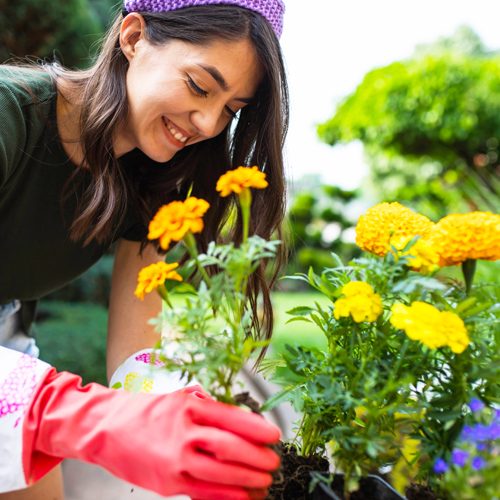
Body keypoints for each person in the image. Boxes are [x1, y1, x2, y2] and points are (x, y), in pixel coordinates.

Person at [0, 0, 289, 498]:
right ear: (133, 37)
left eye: (231, 110)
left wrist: (179, 407)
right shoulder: (10, 116)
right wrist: (83, 417)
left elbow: (136, 355)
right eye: (199, 86)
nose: (207, 123)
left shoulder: (155, 178)